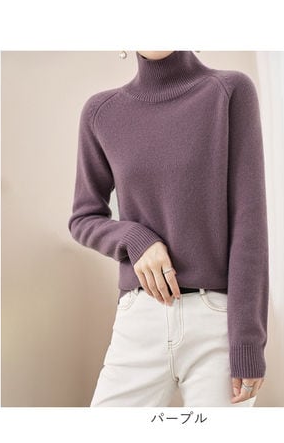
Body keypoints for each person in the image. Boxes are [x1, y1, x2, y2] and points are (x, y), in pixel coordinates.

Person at [68, 50, 269, 407]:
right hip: (139, 319)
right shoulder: (101, 113)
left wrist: (248, 342)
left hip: (217, 323)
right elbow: (83, 218)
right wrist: (134, 239)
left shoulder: (228, 92)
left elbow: (249, 227)